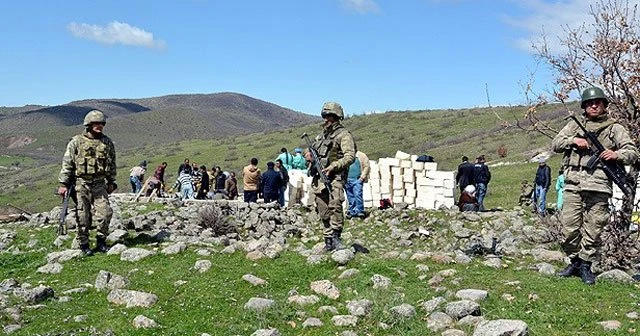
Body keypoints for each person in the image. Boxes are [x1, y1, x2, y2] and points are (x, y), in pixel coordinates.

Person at [551, 86, 639, 285]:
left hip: (599, 185)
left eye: (597, 102)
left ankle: (585, 265)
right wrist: (574, 141)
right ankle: (574, 261)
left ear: (604, 105)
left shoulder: (614, 127)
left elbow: (632, 151)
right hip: (573, 182)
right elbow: (556, 144)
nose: (593, 105)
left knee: (594, 228)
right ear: (584, 106)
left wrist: (617, 155)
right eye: (590, 103)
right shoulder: (575, 125)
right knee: (568, 228)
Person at [58, 110, 117, 256]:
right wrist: (63, 184)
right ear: (88, 125)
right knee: (83, 216)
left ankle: (101, 241)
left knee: (105, 213)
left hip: (99, 184)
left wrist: (111, 181)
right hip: (81, 183)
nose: (99, 126)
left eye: (101, 124)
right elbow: (68, 163)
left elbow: (112, 163)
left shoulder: (107, 142)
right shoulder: (76, 142)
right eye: (96, 123)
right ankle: (84, 244)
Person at [306, 102, 356, 251]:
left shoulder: (343, 135)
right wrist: (308, 156)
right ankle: (328, 240)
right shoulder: (320, 136)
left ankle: (336, 237)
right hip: (319, 178)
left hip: (335, 177)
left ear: (336, 117)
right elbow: (312, 152)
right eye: (325, 116)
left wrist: (333, 166)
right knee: (323, 209)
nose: (326, 119)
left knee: (335, 206)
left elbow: (350, 156)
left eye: (329, 117)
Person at [344, 150, 370, 219]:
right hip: (347, 179)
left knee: (358, 194)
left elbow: (366, 166)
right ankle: (352, 211)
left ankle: (359, 210)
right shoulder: (345, 155)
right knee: (350, 196)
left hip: (357, 179)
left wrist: (362, 177)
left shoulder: (361, 155)